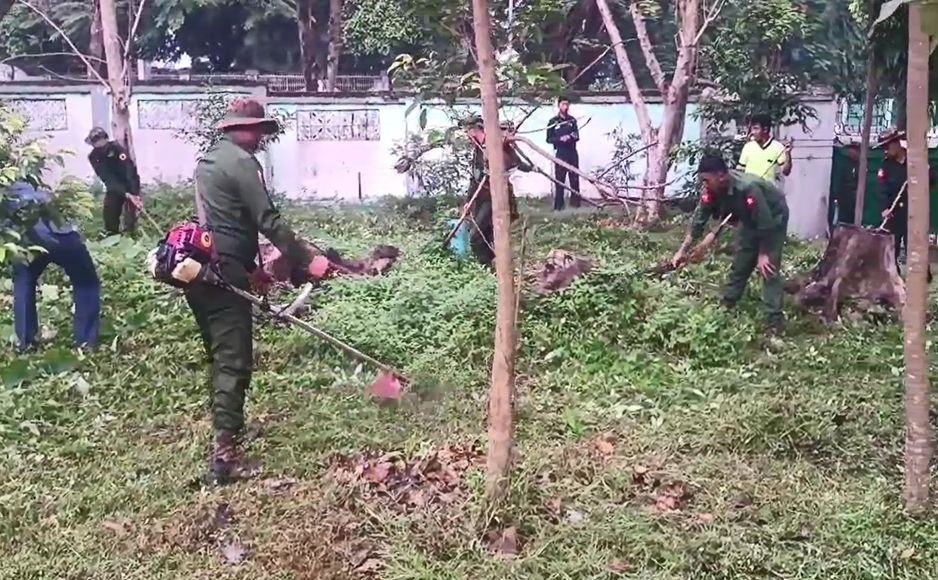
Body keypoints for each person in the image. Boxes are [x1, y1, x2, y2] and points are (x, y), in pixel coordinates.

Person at [188, 98, 331, 483]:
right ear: (244, 129)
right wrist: (307, 259)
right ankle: (225, 456)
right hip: (224, 273)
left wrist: (253, 270)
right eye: (259, 131)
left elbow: (219, 223)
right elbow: (267, 219)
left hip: (200, 268)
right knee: (233, 360)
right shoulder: (242, 162)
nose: (261, 139)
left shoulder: (207, 162)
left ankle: (226, 429)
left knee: (220, 355)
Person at [672, 155, 789, 333]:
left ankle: (775, 321)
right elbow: (698, 222)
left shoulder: (748, 188)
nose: (704, 184)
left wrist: (763, 254)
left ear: (721, 176)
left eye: (706, 180)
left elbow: (765, 223)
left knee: (768, 269)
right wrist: (682, 250)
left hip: (773, 217)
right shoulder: (712, 191)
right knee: (742, 260)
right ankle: (728, 303)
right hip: (749, 219)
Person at [8, 182, 101, 352]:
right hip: (59, 235)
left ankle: (25, 343)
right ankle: (86, 342)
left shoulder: (7, 185)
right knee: (86, 282)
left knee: (23, 281)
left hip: (26, 237)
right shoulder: (28, 177)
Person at [464, 115, 531, 266]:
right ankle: (492, 265)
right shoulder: (478, 149)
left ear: (474, 130)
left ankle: (489, 264)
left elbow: (516, 162)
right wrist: (469, 201)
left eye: (468, 131)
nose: (467, 136)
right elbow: (474, 178)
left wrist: (532, 168)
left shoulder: (495, 145)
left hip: (493, 196)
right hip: (480, 196)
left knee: (476, 236)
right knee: (485, 234)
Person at [876, 128, 933, 282]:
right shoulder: (886, 166)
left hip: (913, 210)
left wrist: (926, 172)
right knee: (892, 246)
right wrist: (885, 208)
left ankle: (921, 277)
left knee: (914, 245)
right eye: (884, 148)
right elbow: (881, 189)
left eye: (887, 146)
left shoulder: (915, 160)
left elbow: (931, 182)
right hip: (894, 213)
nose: (886, 150)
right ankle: (894, 278)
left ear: (896, 144)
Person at [86, 127, 143, 236]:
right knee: (110, 213)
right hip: (114, 187)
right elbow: (108, 178)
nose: (98, 144)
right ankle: (112, 236)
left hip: (130, 183)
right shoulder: (94, 157)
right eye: (95, 142)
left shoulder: (117, 149)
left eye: (101, 140)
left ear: (106, 139)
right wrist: (126, 194)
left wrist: (134, 193)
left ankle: (131, 235)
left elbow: (130, 170)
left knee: (131, 215)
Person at [545, 97, 581, 210]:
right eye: (563, 104)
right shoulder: (553, 121)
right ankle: (559, 205)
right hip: (560, 153)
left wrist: (570, 137)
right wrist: (560, 139)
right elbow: (549, 139)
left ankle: (575, 204)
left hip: (572, 152)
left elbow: (577, 136)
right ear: (558, 105)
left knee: (574, 179)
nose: (565, 107)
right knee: (560, 179)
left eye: (567, 104)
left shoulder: (572, 120)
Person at [737, 114, 792, 183]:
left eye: (756, 128)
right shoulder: (748, 147)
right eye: (752, 129)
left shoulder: (778, 147)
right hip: (750, 189)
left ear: (765, 129)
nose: (753, 132)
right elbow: (740, 171)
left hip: (768, 188)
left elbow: (786, 172)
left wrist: (788, 155)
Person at [830, 142, 860, 228]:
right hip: (843, 195)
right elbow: (838, 178)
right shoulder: (843, 162)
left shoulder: (856, 164)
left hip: (850, 196)